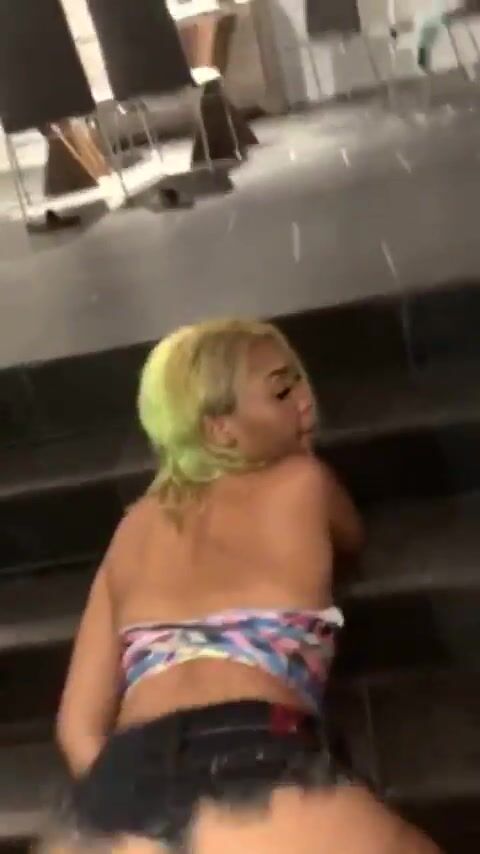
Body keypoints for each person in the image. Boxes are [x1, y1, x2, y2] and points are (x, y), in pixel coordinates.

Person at [49, 318, 441, 854]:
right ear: (219, 430)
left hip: (128, 770)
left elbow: (77, 727)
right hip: (254, 747)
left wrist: (126, 805)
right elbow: (350, 536)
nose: (306, 400)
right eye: (282, 391)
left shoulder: (132, 527)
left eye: (300, 382)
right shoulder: (303, 480)